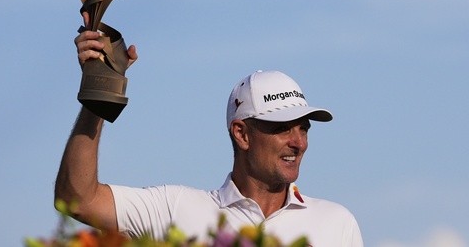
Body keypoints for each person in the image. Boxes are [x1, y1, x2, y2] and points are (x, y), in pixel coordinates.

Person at [55, 13, 364, 246]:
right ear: (241, 134)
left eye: (304, 128)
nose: (299, 142)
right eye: (282, 128)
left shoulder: (337, 223)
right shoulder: (174, 209)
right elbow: (79, 199)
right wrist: (101, 91)